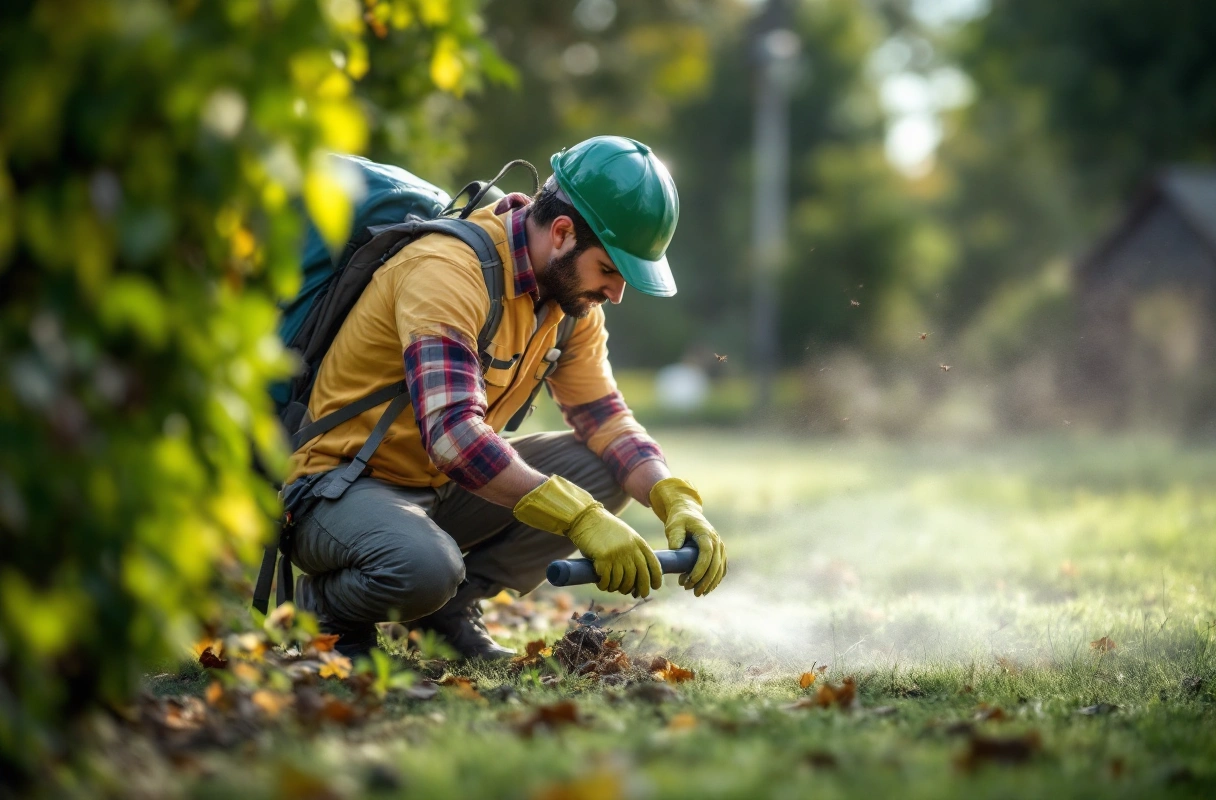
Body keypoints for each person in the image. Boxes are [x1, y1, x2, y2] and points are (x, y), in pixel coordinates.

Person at [285, 135, 727, 659]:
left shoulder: (569, 305)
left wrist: (673, 497)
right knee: (424, 567)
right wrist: (579, 517)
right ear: (562, 233)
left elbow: (606, 418)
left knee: (605, 467)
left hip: (437, 487)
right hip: (340, 488)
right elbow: (453, 436)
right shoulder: (447, 271)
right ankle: (330, 610)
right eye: (610, 270)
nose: (617, 293)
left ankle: (446, 611)